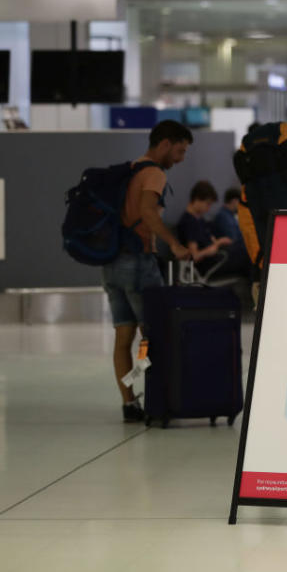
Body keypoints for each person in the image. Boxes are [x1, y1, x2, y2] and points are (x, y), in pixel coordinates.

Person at [103, 120, 192, 423]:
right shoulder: (153, 172)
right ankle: (156, 396)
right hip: (138, 262)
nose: (180, 159)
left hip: (112, 263)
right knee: (152, 334)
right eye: (179, 151)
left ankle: (129, 401)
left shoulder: (129, 170)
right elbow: (147, 211)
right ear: (164, 143)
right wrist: (174, 245)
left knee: (123, 336)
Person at [177, 181, 250, 278]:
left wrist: (218, 242)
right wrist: (216, 245)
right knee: (247, 255)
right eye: (208, 204)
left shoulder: (199, 219)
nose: (208, 208)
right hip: (209, 265)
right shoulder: (189, 222)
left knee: (246, 247)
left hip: (216, 258)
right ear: (197, 199)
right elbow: (194, 256)